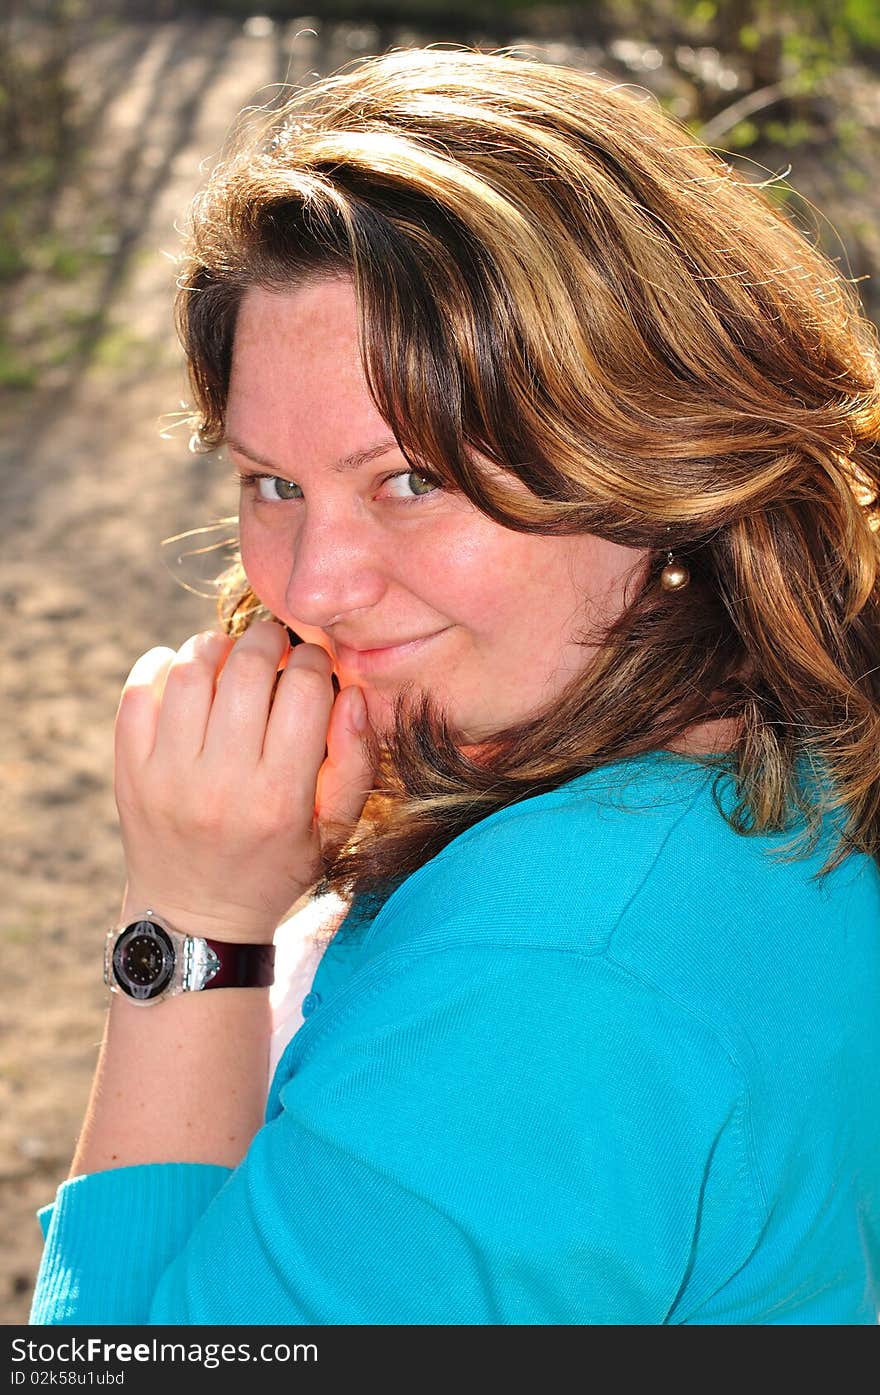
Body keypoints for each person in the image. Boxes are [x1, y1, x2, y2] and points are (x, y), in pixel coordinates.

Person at [30, 47, 880, 1326]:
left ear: (647, 448)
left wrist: (192, 924)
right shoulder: (787, 739)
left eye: (411, 481)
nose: (312, 588)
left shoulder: (546, 979)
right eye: (273, 483)